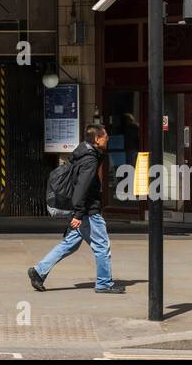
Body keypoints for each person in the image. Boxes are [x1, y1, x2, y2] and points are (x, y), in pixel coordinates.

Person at [28, 122, 123, 294]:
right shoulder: (90, 160)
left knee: (69, 244)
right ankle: (104, 283)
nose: (108, 139)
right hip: (88, 211)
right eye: (105, 137)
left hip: (81, 209)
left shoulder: (81, 153)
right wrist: (78, 214)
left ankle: (38, 271)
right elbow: (82, 188)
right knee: (102, 246)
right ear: (97, 138)